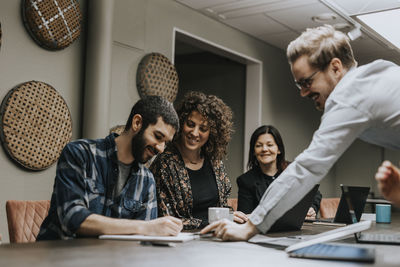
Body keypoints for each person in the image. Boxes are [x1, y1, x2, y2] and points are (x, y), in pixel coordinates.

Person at [201, 24, 400, 241]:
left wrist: (250, 226)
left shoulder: (349, 94)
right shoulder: (378, 74)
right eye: (299, 85)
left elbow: (307, 168)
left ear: (335, 67)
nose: (304, 92)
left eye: (307, 81)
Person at [37, 96, 183, 240]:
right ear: (137, 123)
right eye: (158, 136)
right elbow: (72, 218)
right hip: (59, 257)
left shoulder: (147, 180)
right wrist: (145, 227)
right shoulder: (79, 153)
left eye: (166, 143)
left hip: (111, 259)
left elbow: (143, 241)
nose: (161, 149)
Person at [150, 91, 248, 230]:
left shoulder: (215, 162)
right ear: (181, 122)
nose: (195, 133)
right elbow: (166, 219)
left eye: (203, 128)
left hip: (216, 239)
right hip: (182, 243)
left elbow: (221, 206)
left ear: (212, 133)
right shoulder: (164, 164)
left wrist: (231, 216)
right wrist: (210, 223)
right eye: (190, 124)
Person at [237, 125, 321, 218]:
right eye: (259, 145)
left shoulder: (294, 170)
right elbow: (244, 216)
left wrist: (311, 208)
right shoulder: (246, 181)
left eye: (270, 145)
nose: (264, 149)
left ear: (279, 149)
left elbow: (315, 194)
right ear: (253, 151)